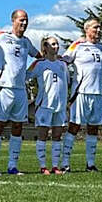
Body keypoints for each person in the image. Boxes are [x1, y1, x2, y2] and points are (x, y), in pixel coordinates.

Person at [0, 10, 40, 175]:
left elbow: (39, 57)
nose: (24, 23)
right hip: (3, 88)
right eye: (21, 20)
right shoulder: (1, 36)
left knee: (18, 127)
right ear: (13, 20)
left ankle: (12, 166)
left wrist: (29, 72)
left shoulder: (26, 42)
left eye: (26, 20)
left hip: (20, 90)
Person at [61, 19, 102, 172]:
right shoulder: (78, 46)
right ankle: (65, 163)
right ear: (86, 29)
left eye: (100, 27)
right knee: (74, 126)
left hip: (97, 93)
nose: (99, 30)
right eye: (96, 27)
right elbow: (63, 61)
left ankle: (90, 164)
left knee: (93, 128)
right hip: (81, 93)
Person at [28, 36, 69, 173]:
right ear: (45, 47)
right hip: (44, 105)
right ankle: (43, 166)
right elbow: (27, 75)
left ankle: (56, 166)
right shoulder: (40, 64)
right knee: (43, 135)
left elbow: (66, 82)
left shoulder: (62, 64)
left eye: (57, 44)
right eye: (52, 44)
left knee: (57, 136)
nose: (56, 47)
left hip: (60, 105)